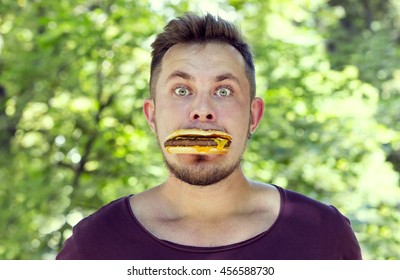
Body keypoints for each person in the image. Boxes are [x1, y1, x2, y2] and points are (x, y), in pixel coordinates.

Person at [56, 13, 362, 260]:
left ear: (253, 116)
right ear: (152, 116)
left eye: (224, 91)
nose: (202, 111)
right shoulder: (94, 245)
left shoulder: (324, 234)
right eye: (181, 90)